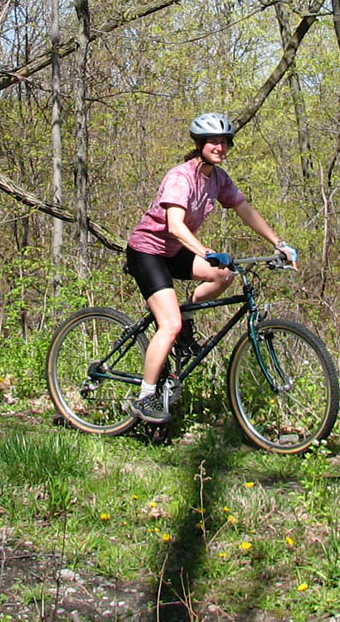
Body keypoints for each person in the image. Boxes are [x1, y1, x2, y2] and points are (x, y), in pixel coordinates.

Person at [124, 112, 297, 423]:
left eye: (225, 142)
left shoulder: (218, 178)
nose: (220, 147)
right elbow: (175, 226)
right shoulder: (181, 177)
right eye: (214, 141)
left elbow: (246, 210)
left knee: (223, 274)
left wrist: (278, 243)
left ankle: (186, 317)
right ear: (200, 143)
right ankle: (145, 397)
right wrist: (207, 251)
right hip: (147, 252)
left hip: (175, 251)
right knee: (169, 324)